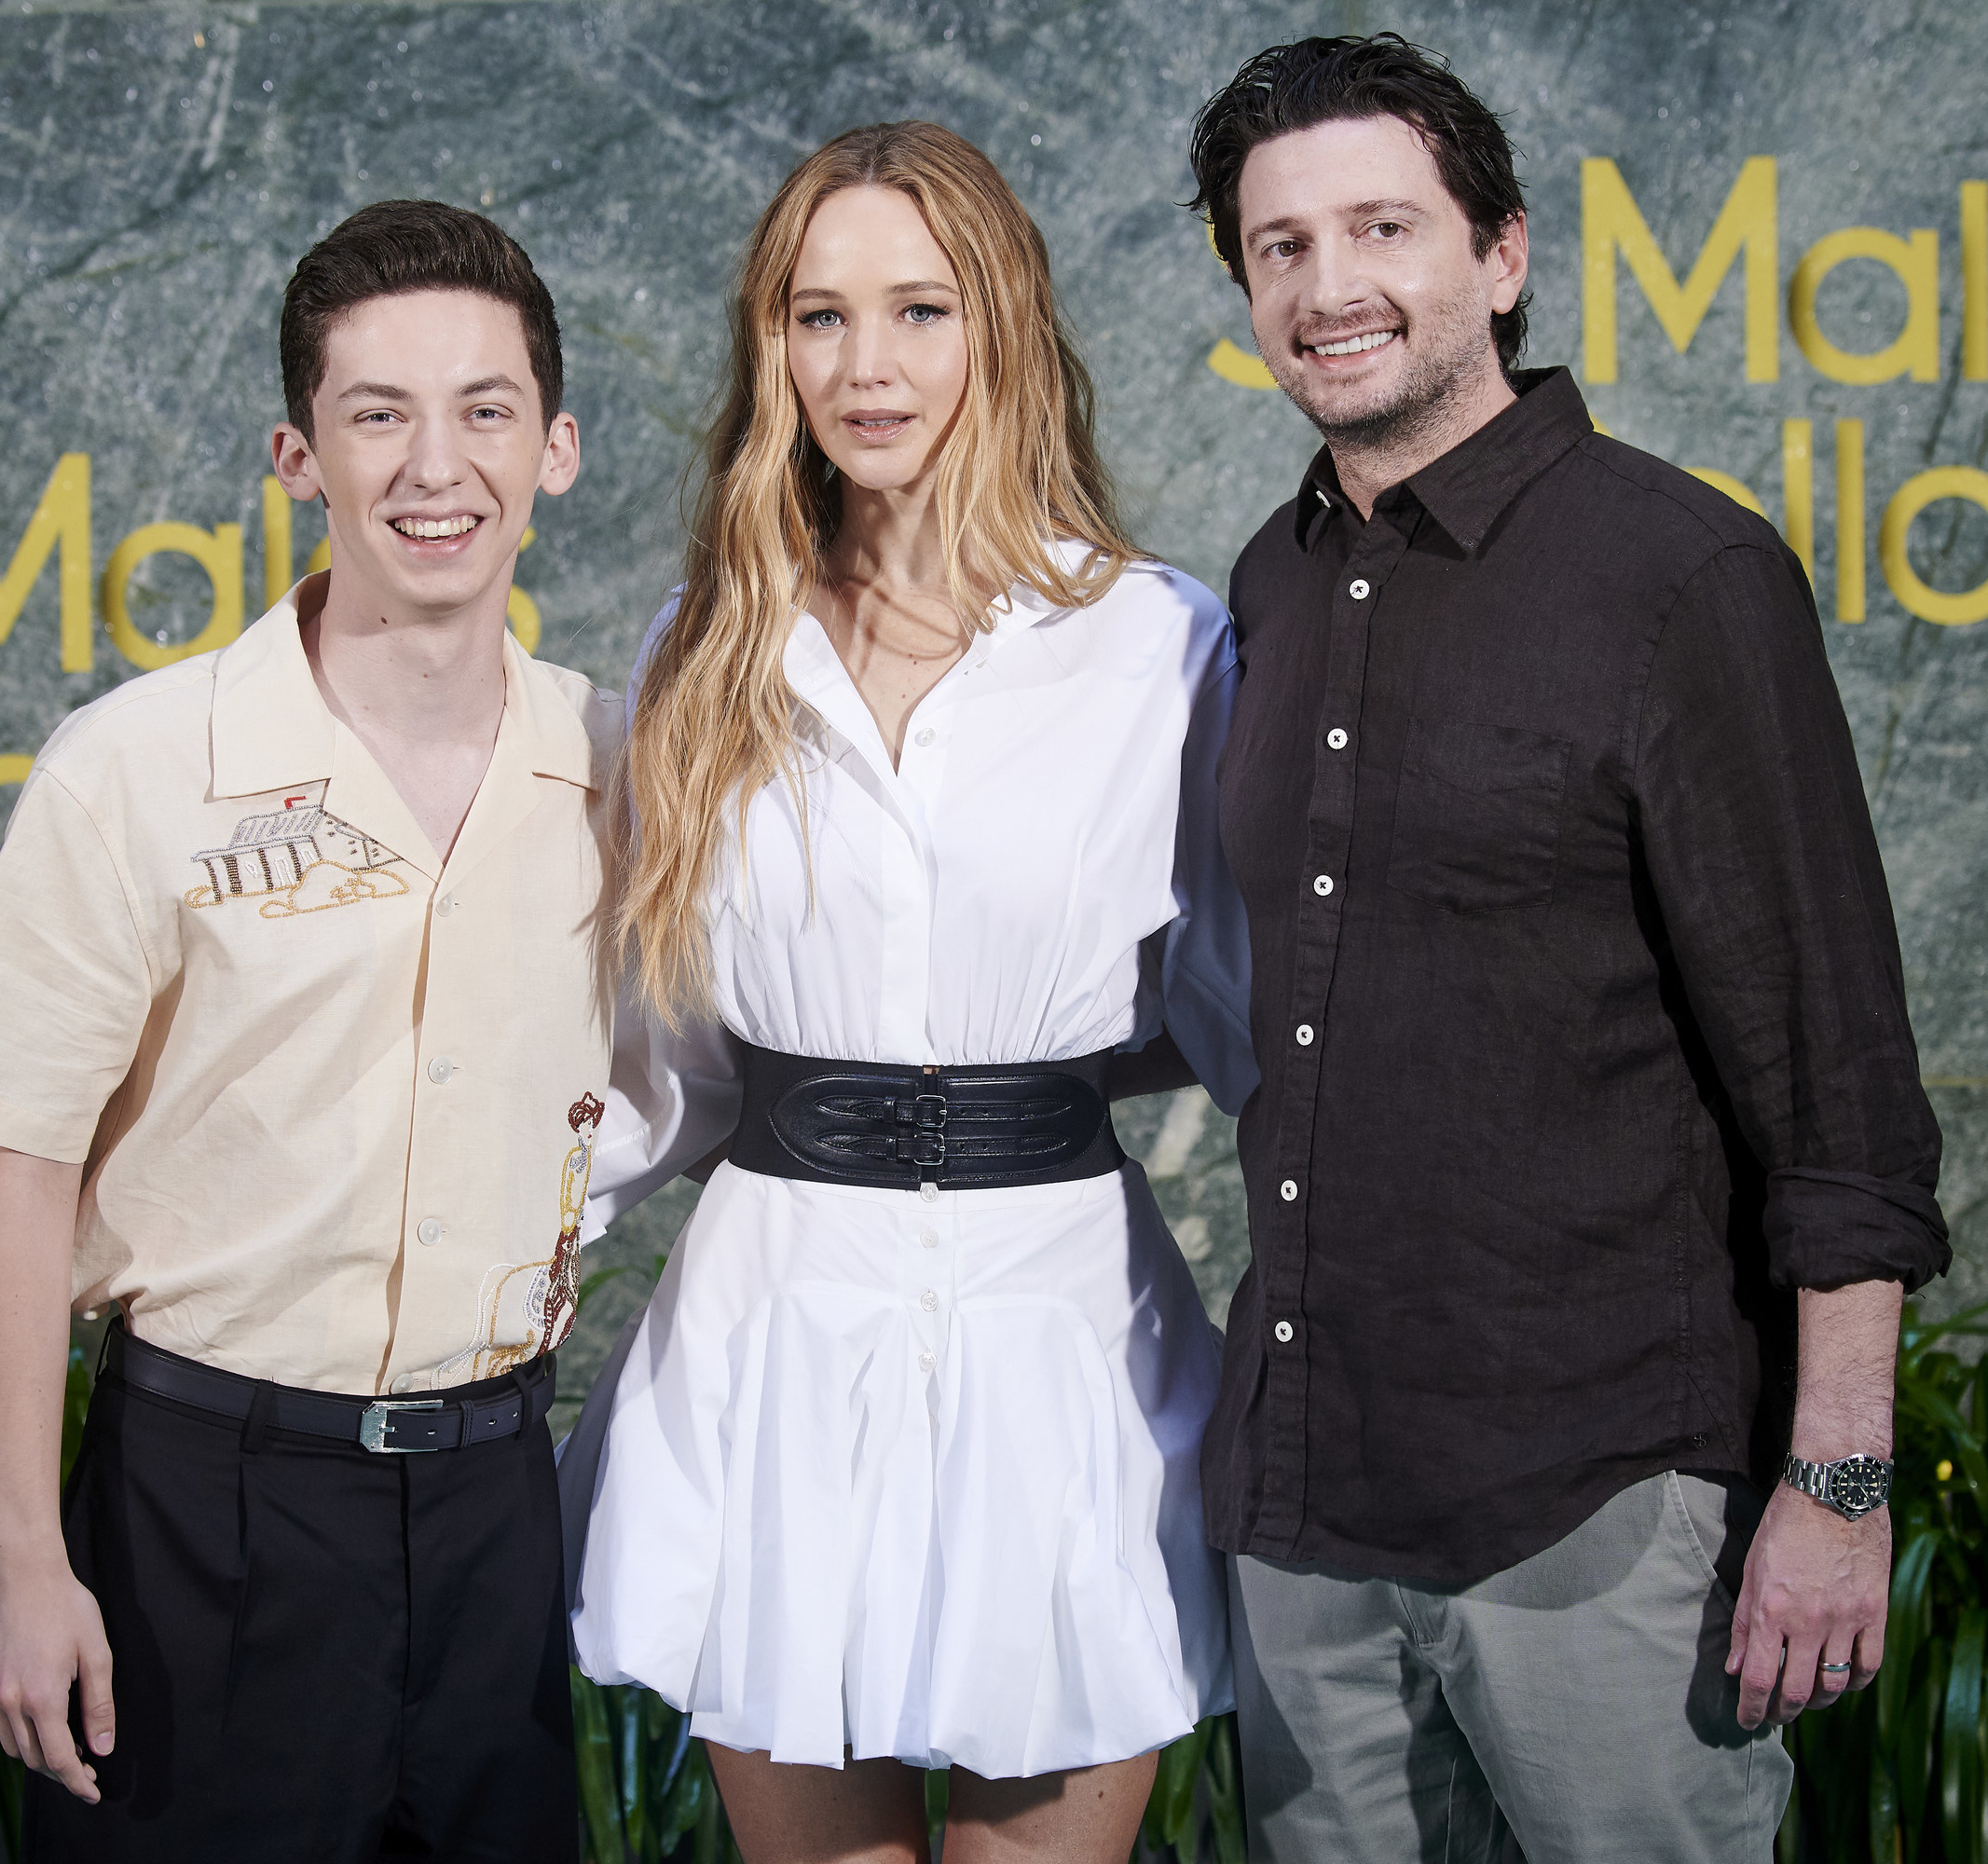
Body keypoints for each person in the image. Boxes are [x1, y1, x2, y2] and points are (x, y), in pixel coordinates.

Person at [1185, 35, 1952, 1861]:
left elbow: (1836, 1082)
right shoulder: (1270, 583)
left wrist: (1837, 1487)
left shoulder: (1682, 578)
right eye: (1279, 248)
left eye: (1382, 226)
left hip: (1590, 1509)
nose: (1331, 284)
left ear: (1502, 256)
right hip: (1308, 1500)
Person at [563, 121, 1256, 1864]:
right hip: (776, 1337)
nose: (866, 367)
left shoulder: (1162, 648)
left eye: (921, 310)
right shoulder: (700, 645)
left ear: (1003, 326)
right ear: (770, 348)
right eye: (818, 316)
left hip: (1063, 1344)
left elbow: (1257, 1023)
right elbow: (651, 1067)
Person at [0, 200, 614, 1860]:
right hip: (205, 1503)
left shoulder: (619, 762)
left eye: (484, 411)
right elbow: (20, 1173)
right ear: (299, 456)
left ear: (557, 447)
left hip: (500, 1497)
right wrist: (23, 1558)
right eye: (378, 415)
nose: (435, 466)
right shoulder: (135, 765)